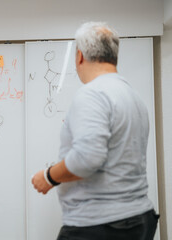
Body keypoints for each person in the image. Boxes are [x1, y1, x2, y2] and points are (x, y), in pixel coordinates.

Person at [32, 22, 159, 240]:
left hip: (99, 226)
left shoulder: (92, 94)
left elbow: (86, 159)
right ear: (114, 55)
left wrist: (48, 177)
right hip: (138, 220)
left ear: (79, 56)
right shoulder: (133, 97)